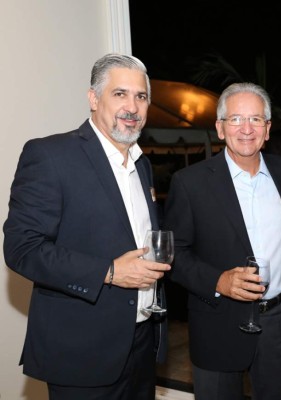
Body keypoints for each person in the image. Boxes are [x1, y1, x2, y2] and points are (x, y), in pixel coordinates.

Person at [3, 53, 171, 400]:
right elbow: (21, 249)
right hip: (81, 353)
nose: (132, 106)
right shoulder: (51, 155)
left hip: (141, 347)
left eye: (141, 97)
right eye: (120, 94)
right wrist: (108, 271)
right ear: (93, 99)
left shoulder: (142, 166)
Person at [163, 82, 281, 400]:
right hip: (217, 320)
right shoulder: (190, 183)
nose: (246, 129)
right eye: (236, 119)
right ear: (220, 127)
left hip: (279, 321)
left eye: (256, 119)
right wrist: (218, 280)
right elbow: (175, 255)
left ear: (268, 129)